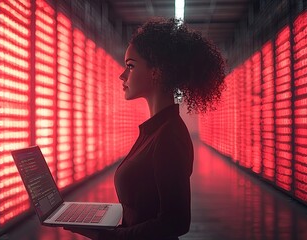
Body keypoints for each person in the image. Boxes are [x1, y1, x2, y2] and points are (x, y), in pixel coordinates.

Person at [65, 17, 226, 240]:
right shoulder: (155, 131)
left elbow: (175, 223)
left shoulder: (168, 137)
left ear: (156, 71)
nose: (122, 75)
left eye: (130, 66)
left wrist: (105, 236)